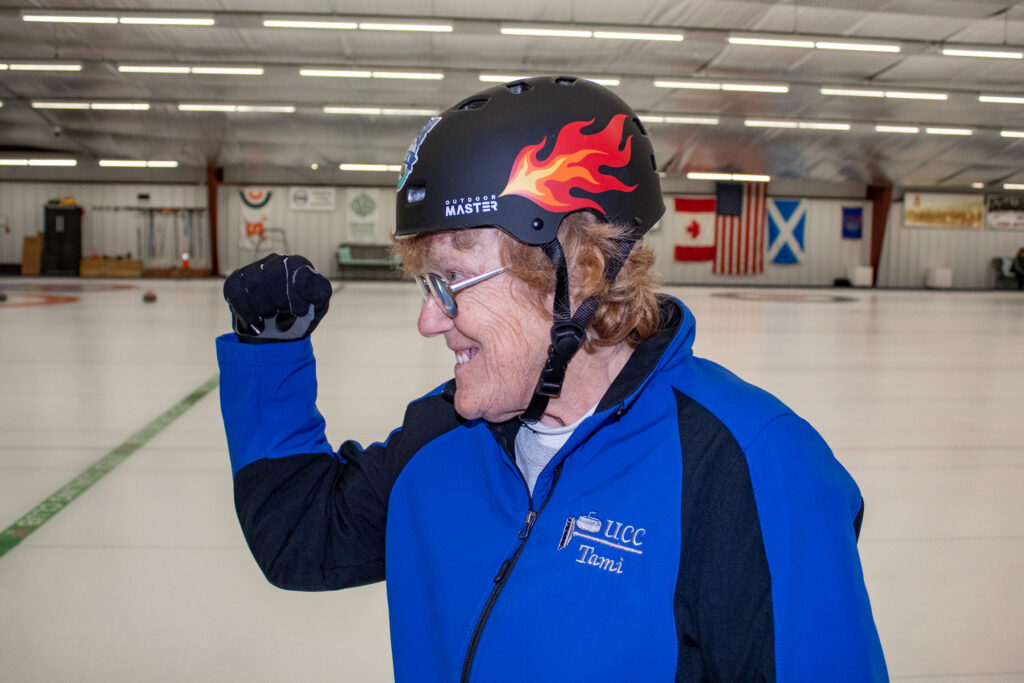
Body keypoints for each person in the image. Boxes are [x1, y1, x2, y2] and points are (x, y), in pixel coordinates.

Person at [217, 76, 888, 681]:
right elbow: (301, 538)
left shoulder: (749, 465)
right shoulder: (445, 437)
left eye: (453, 281)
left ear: (582, 270)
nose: (429, 320)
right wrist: (270, 353)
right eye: (427, 284)